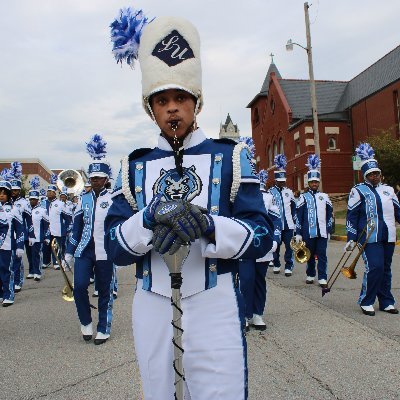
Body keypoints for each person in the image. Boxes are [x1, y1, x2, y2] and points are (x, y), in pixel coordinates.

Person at [105, 9, 273, 399]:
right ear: (151, 108)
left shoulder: (231, 156)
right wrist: (147, 218)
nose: (172, 108)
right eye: (162, 100)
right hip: (152, 303)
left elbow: (264, 235)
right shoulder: (132, 167)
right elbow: (114, 247)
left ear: (196, 102)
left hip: (214, 301)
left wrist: (211, 225)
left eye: (181, 97)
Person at [65, 134, 115, 345]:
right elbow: (76, 226)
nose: (94, 181)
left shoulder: (114, 198)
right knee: (79, 286)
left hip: (106, 251)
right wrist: (69, 251)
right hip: (84, 250)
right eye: (92, 178)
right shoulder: (83, 199)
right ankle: (86, 321)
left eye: (98, 178)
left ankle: (103, 327)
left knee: (105, 290)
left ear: (106, 179)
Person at [345, 143, 400, 316]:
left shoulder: (389, 190)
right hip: (369, 238)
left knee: (385, 269)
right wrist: (351, 237)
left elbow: (398, 211)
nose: (375, 176)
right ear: (365, 175)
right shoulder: (358, 190)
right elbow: (351, 216)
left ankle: (386, 301)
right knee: (374, 267)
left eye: (376, 173)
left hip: (388, 235)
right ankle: (366, 300)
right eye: (371, 174)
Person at [240, 169, 281, 331]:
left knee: (259, 280)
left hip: (264, 244)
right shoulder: (238, 195)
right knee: (245, 279)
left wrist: (275, 240)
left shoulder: (268, 197)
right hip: (244, 244)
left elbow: (276, 220)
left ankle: (257, 312)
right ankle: (243, 314)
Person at [295, 154, 333, 287]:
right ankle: (310, 274)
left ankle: (322, 277)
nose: (315, 184)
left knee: (322, 255)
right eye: (312, 182)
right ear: (309, 183)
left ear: (319, 182)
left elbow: (329, 215)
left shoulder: (325, 196)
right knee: (309, 255)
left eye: (316, 182)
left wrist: (329, 230)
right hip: (307, 232)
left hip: (322, 232)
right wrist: (298, 232)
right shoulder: (303, 197)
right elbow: (298, 216)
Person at [9, 162, 35, 291]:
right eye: (12, 190)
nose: (13, 192)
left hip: (20, 233)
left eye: (15, 190)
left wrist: (31, 235)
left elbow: (29, 221)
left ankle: (18, 281)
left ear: (20, 190)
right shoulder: (6, 203)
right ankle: (8, 281)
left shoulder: (24, 203)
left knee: (17, 259)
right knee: (8, 260)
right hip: (7, 234)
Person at [268, 154, 296, 276]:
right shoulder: (270, 192)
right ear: (275, 181)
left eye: (283, 181)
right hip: (276, 225)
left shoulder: (289, 192)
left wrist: (294, 220)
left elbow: (294, 207)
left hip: (289, 225)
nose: (282, 183)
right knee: (276, 245)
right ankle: (277, 264)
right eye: (279, 182)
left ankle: (288, 266)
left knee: (289, 247)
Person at [0, 177, 24, 307]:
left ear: (9, 195)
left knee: (6, 269)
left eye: (4, 193)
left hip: (8, 245)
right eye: (0, 193)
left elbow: (20, 229)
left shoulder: (14, 209)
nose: (1, 195)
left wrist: (20, 246)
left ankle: (8, 294)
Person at [27, 177, 50, 281]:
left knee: (36, 255)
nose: (32, 201)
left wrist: (47, 236)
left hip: (37, 236)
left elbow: (46, 225)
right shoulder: (26, 210)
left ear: (37, 200)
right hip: (27, 237)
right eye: (31, 199)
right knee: (29, 255)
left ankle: (38, 272)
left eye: (34, 199)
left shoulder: (42, 210)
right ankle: (31, 271)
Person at [47, 176, 72, 269]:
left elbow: (68, 217)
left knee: (58, 246)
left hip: (58, 229)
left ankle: (57, 261)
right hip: (49, 229)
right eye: (48, 191)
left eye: (51, 192)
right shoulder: (45, 203)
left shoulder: (60, 204)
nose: (49, 193)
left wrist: (67, 227)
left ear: (55, 193)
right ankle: (50, 261)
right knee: (49, 247)